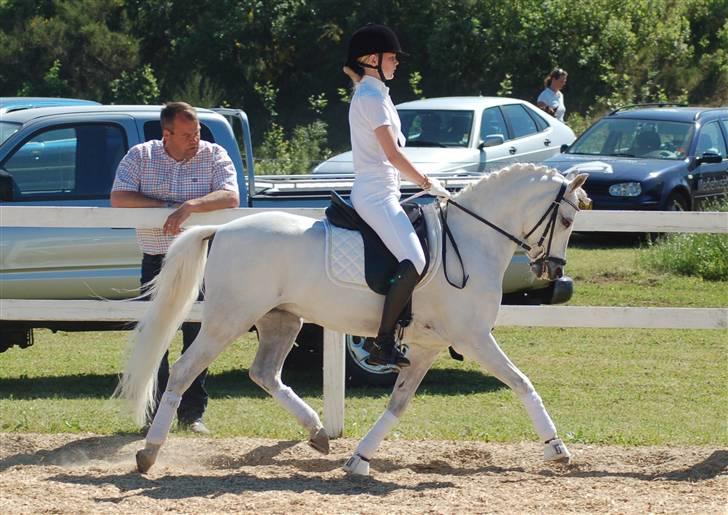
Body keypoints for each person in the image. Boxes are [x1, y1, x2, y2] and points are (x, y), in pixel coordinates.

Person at [111, 101, 239, 434]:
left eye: (196, 132)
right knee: (155, 335)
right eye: (187, 134)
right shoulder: (140, 156)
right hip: (156, 259)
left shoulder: (213, 154)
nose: (195, 139)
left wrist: (189, 207)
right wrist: (164, 209)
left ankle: (191, 413)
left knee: (197, 336)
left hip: (203, 260)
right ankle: (154, 413)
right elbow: (120, 197)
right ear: (166, 133)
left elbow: (230, 196)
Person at [343, 24, 450, 369]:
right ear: (372, 60)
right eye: (391, 57)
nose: (397, 63)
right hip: (376, 194)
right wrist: (426, 183)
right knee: (416, 260)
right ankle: (382, 342)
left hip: (385, 190)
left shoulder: (375, 93)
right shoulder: (372, 98)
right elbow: (392, 154)